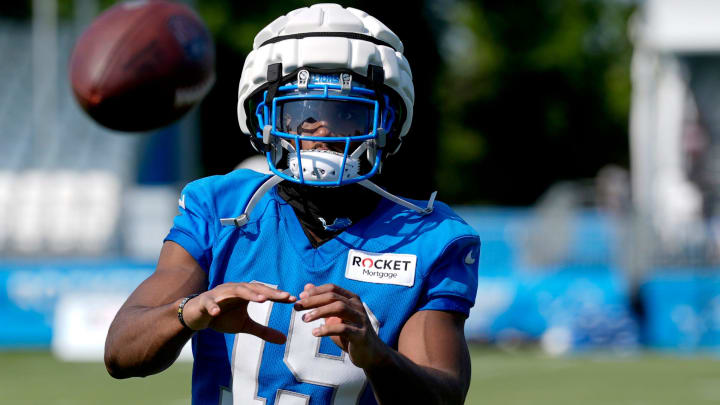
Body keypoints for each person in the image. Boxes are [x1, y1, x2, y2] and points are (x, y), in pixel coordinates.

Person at [104, 4, 480, 405]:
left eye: (347, 114)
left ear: (386, 122)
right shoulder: (221, 206)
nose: (322, 132)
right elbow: (121, 352)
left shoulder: (430, 238)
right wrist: (189, 311)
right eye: (302, 114)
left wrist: (377, 356)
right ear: (264, 119)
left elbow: (443, 396)